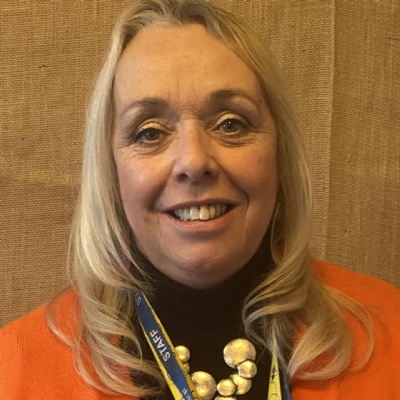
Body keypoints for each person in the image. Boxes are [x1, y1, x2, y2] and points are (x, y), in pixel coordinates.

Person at [1, 0, 399, 399]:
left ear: (280, 155)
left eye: (231, 124)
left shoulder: (390, 332)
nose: (194, 162)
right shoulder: (13, 370)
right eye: (150, 132)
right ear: (111, 173)